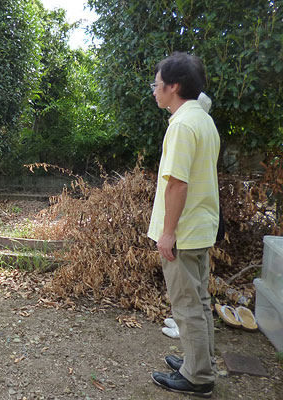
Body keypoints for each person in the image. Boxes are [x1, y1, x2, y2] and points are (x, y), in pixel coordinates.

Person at [147, 52, 220, 398]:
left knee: (187, 305)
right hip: (201, 226)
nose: (155, 90)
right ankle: (199, 361)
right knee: (200, 300)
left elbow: (177, 183)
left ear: (173, 86)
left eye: (157, 83)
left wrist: (168, 232)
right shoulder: (203, 120)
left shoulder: (182, 125)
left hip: (184, 232)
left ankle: (198, 376)